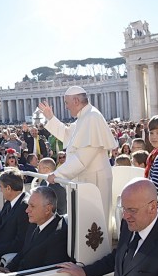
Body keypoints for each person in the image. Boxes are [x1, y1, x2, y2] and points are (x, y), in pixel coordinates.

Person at [39, 85, 118, 220]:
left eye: (67, 103)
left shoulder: (92, 117)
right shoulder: (84, 117)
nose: (66, 107)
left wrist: (57, 174)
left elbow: (82, 159)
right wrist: (51, 118)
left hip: (94, 180)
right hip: (86, 179)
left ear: (76, 101)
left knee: (95, 223)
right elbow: (66, 134)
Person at [0, 186, 70, 272]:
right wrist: (8, 269)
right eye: (28, 205)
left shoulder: (58, 236)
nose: (27, 210)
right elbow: (24, 251)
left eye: (32, 206)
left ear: (47, 209)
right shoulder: (34, 223)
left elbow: (46, 274)